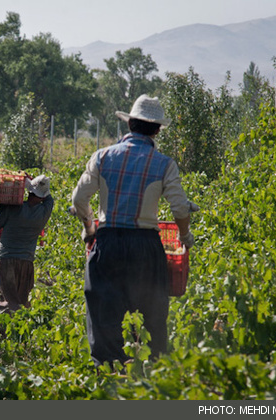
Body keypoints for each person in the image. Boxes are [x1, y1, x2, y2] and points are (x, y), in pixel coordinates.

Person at [71, 94, 198, 367]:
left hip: (108, 243)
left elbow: (79, 200)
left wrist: (90, 229)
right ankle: (151, 374)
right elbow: (179, 208)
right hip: (145, 246)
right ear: (156, 130)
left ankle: (109, 373)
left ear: (129, 124)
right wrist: (185, 236)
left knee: (103, 312)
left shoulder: (102, 157)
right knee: (151, 315)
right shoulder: (164, 164)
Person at [0, 175, 54, 313]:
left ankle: (3, 333)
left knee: (3, 302)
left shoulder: (14, 207)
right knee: (21, 304)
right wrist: (33, 185)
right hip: (26, 263)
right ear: (42, 197)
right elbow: (49, 199)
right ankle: (19, 334)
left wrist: (4, 204)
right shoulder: (44, 212)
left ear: (29, 192)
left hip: (5, 260)